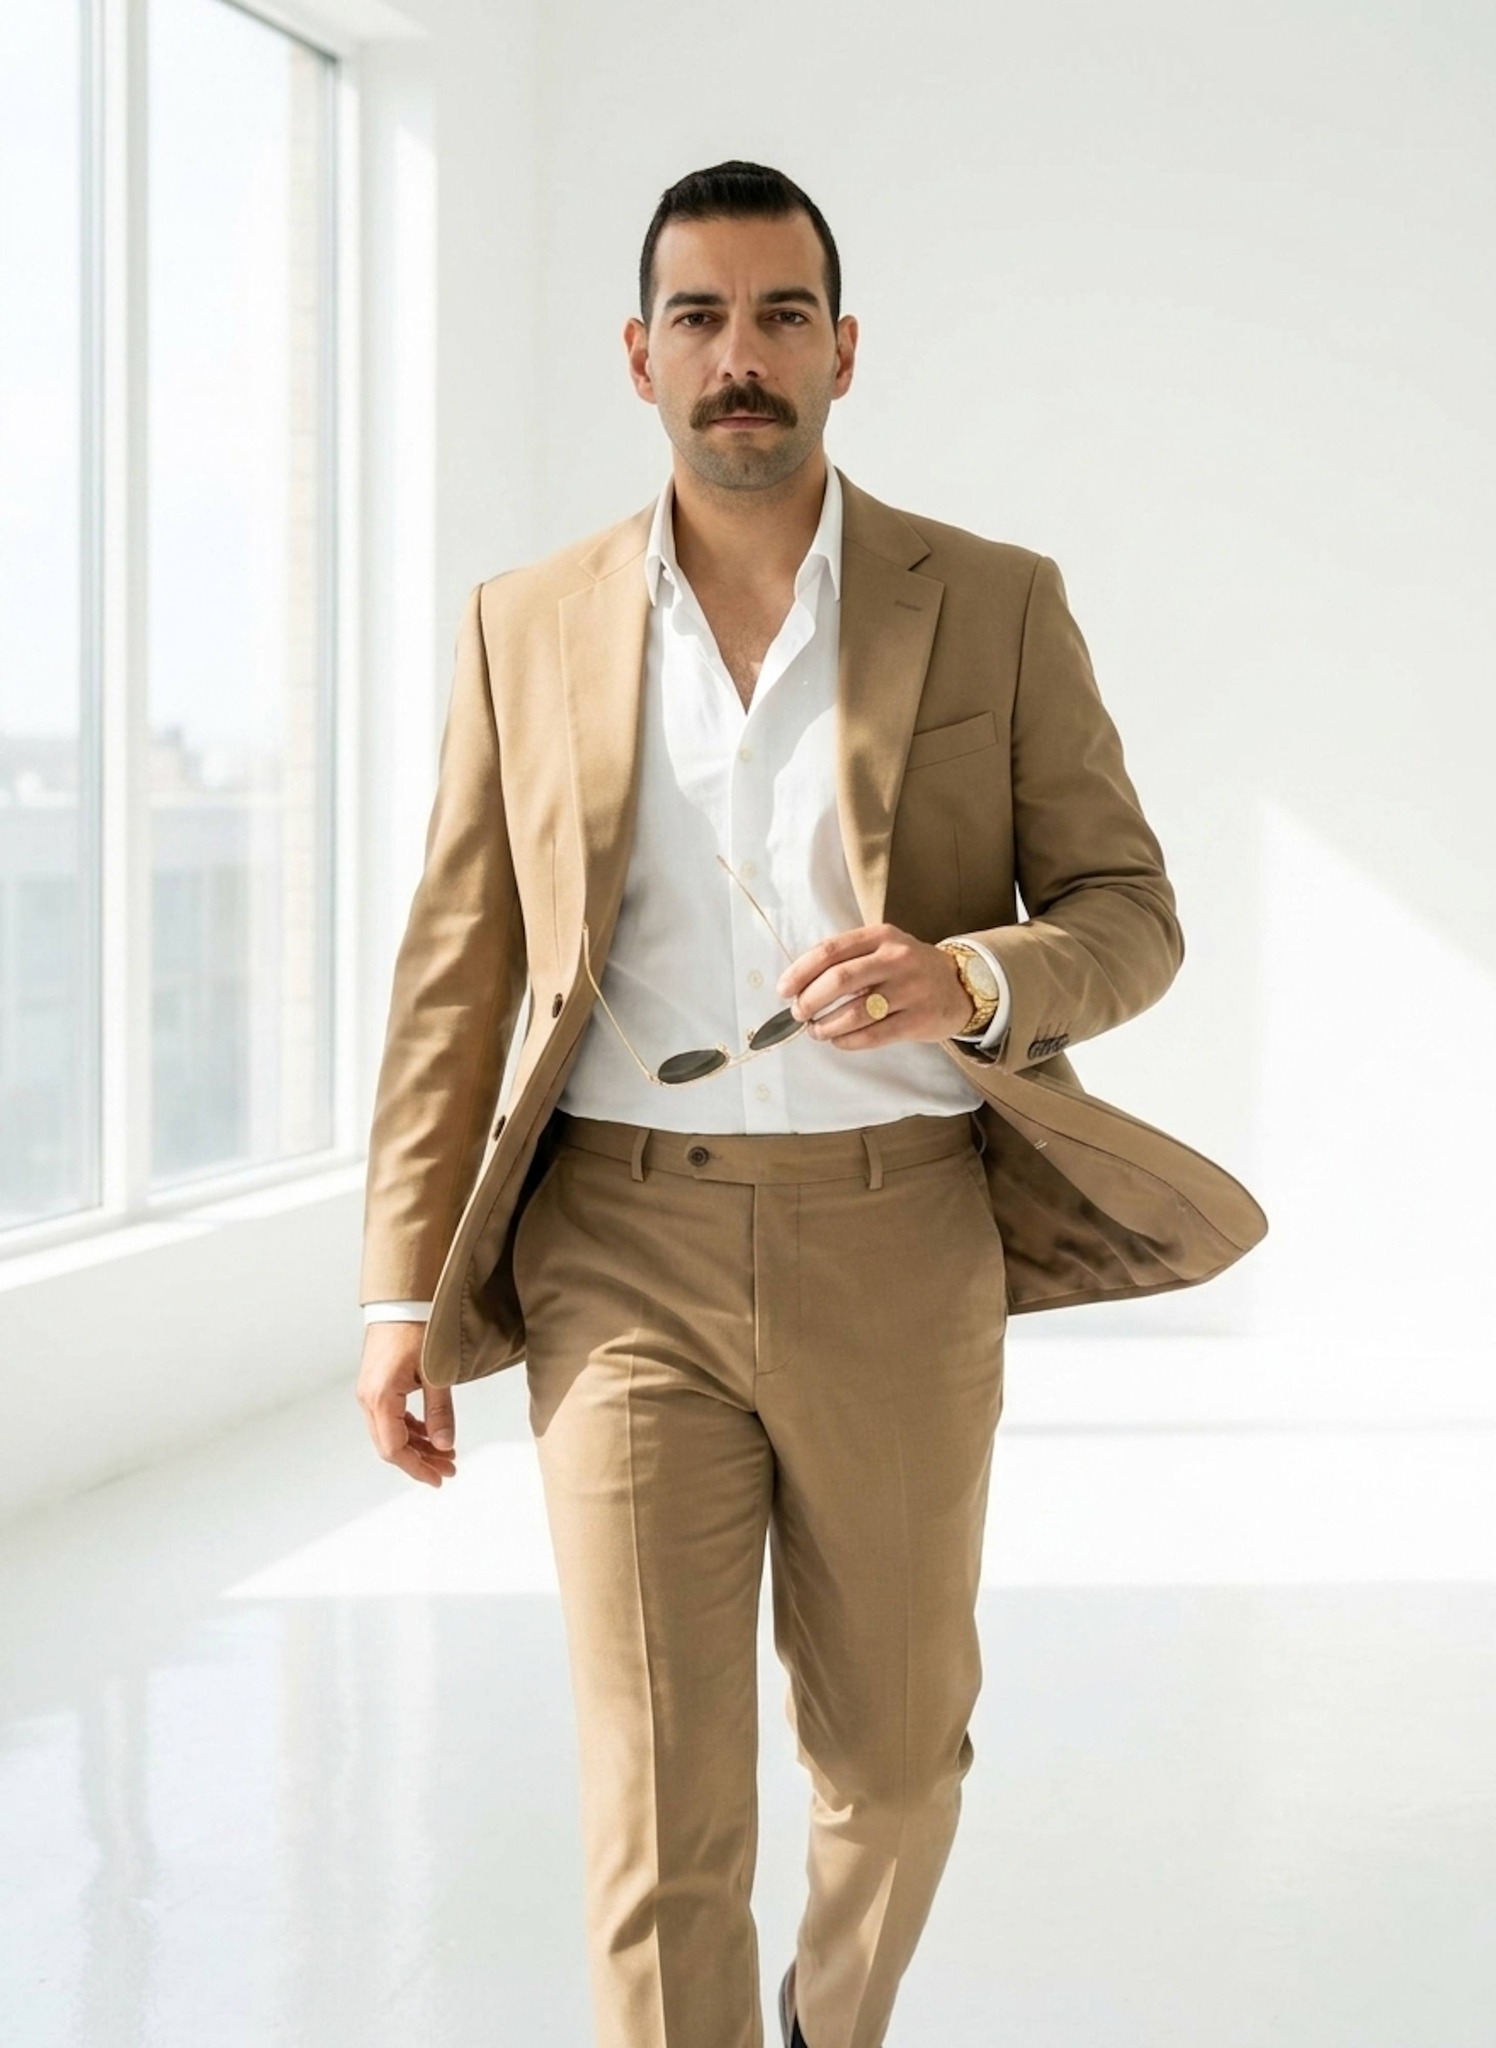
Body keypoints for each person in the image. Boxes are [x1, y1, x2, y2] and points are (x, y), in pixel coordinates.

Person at [355, 159, 1267, 2048]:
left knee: (900, 1758)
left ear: (844, 350)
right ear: (638, 357)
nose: (740, 357)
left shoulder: (995, 603)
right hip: (618, 1245)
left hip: (898, 1238)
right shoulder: (524, 624)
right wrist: (395, 1296)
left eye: (780, 316)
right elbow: (456, 971)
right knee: (659, 1806)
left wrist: (978, 975)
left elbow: (1132, 912)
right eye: (699, 316)